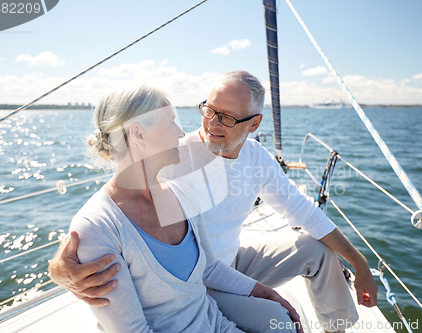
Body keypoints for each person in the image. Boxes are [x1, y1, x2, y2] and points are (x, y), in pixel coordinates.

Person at [50, 71, 378, 333]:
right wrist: (59, 265)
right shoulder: (170, 156)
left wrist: (359, 262)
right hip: (198, 284)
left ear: (254, 124)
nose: (210, 124)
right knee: (277, 319)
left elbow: (301, 209)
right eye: (209, 110)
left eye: (227, 117)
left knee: (317, 250)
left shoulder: (254, 158)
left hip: (223, 265)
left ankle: (338, 328)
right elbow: (114, 212)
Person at [65, 81, 303, 333]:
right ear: (138, 134)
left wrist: (268, 294)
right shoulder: (98, 227)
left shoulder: (183, 194)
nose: (180, 133)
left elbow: (210, 268)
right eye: (170, 122)